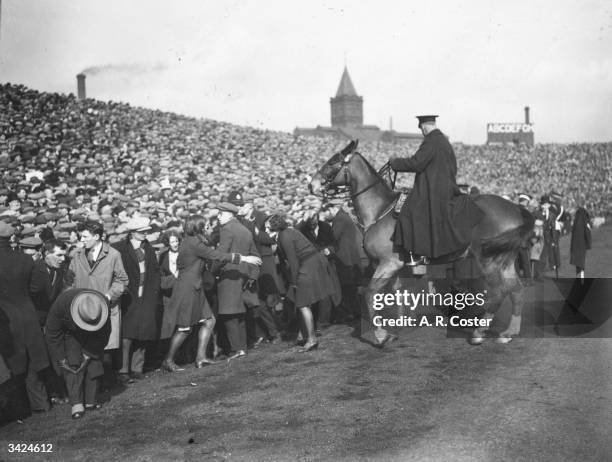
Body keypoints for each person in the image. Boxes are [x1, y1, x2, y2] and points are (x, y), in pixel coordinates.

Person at [159, 214, 261, 372]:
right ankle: (168, 360)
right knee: (185, 328)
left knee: (209, 321)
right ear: (197, 227)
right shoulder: (193, 243)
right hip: (187, 289)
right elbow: (217, 255)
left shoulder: (193, 241)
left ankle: (200, 358)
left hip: (195, 287)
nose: (207, 227)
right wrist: (244, 259)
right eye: (204, 225)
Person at [389, 115, 483, 264]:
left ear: (424, 127)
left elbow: (416, 163)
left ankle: (417, 255)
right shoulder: (444, 141)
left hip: (433, 190)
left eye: (421, 129)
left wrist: (395, 163)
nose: (421, 132)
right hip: (445, 188)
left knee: (408, 212)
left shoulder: (431, 141)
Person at [265, 214, 339, 352]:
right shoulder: (289, 232)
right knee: (303, 302)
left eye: (267, 225)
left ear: (274, 226)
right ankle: (304, 335)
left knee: (303, 304)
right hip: (313, 263)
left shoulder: (284, 236)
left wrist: (294, 283)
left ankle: (311, 339)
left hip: (308, 266)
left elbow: (293, 261)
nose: (266, 228)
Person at [67, 220, 129, 384]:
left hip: (106, 308)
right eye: (81, 236)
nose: (82, 240)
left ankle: (107, 384)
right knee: (87, 348)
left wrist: (108, 296)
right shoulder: (77, 255)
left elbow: (122, 280)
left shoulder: (113, 255)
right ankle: (92, 387)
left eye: (85, 236)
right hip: (83, 309)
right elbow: (70, 281)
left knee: (105, 348)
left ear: (96, 236)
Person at [0, 221, 50, 420]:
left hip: (5, 318)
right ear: (11, 237)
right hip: (28, 313)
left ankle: (18, 410)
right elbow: (36, 287)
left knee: (12, 365)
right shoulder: (25, 259)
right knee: (32, 362)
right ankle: (41, 403)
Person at [45, 288, 111, 419]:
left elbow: (104, 335)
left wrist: (89, 354)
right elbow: (52, 335)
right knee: (73, 364)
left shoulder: (101, 306)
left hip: (94, 335)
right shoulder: (61, 304)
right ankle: (77, 403)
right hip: (70, 334)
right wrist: (61, 359)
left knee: (94, 364)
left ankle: (91, 400)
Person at [113, 216, 161, 382]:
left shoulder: (148, 248)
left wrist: (154, 292)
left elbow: (155, 271)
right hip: (129, 295)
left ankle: (137, 368)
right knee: (126, 335)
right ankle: (123, 370)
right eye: (142, 232)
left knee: (144, 333)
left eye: (147, 231)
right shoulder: (119, 248)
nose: (145, 234)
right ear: (132, 232)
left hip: (146, 296)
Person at [212, 201, 260, 361]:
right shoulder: (245, 229)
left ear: (229, 215)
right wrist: (252, 275)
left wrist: (213, 271)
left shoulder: (226, 229)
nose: (218, 217)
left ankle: (236, 349)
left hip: (229, 274)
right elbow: (255, 255)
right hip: (244, 274)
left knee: (228, 313)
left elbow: (220, 254)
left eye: (220, 214)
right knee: (239, 313)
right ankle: (243, 348)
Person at [570, 207, 591, 279]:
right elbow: (588, 232)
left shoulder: (576, 219)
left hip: (575, 245)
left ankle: (580, 279)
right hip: (582, 244)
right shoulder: (585, 219)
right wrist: (589, 244)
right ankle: (581, 280)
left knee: (578, 262)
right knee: (581, 262)